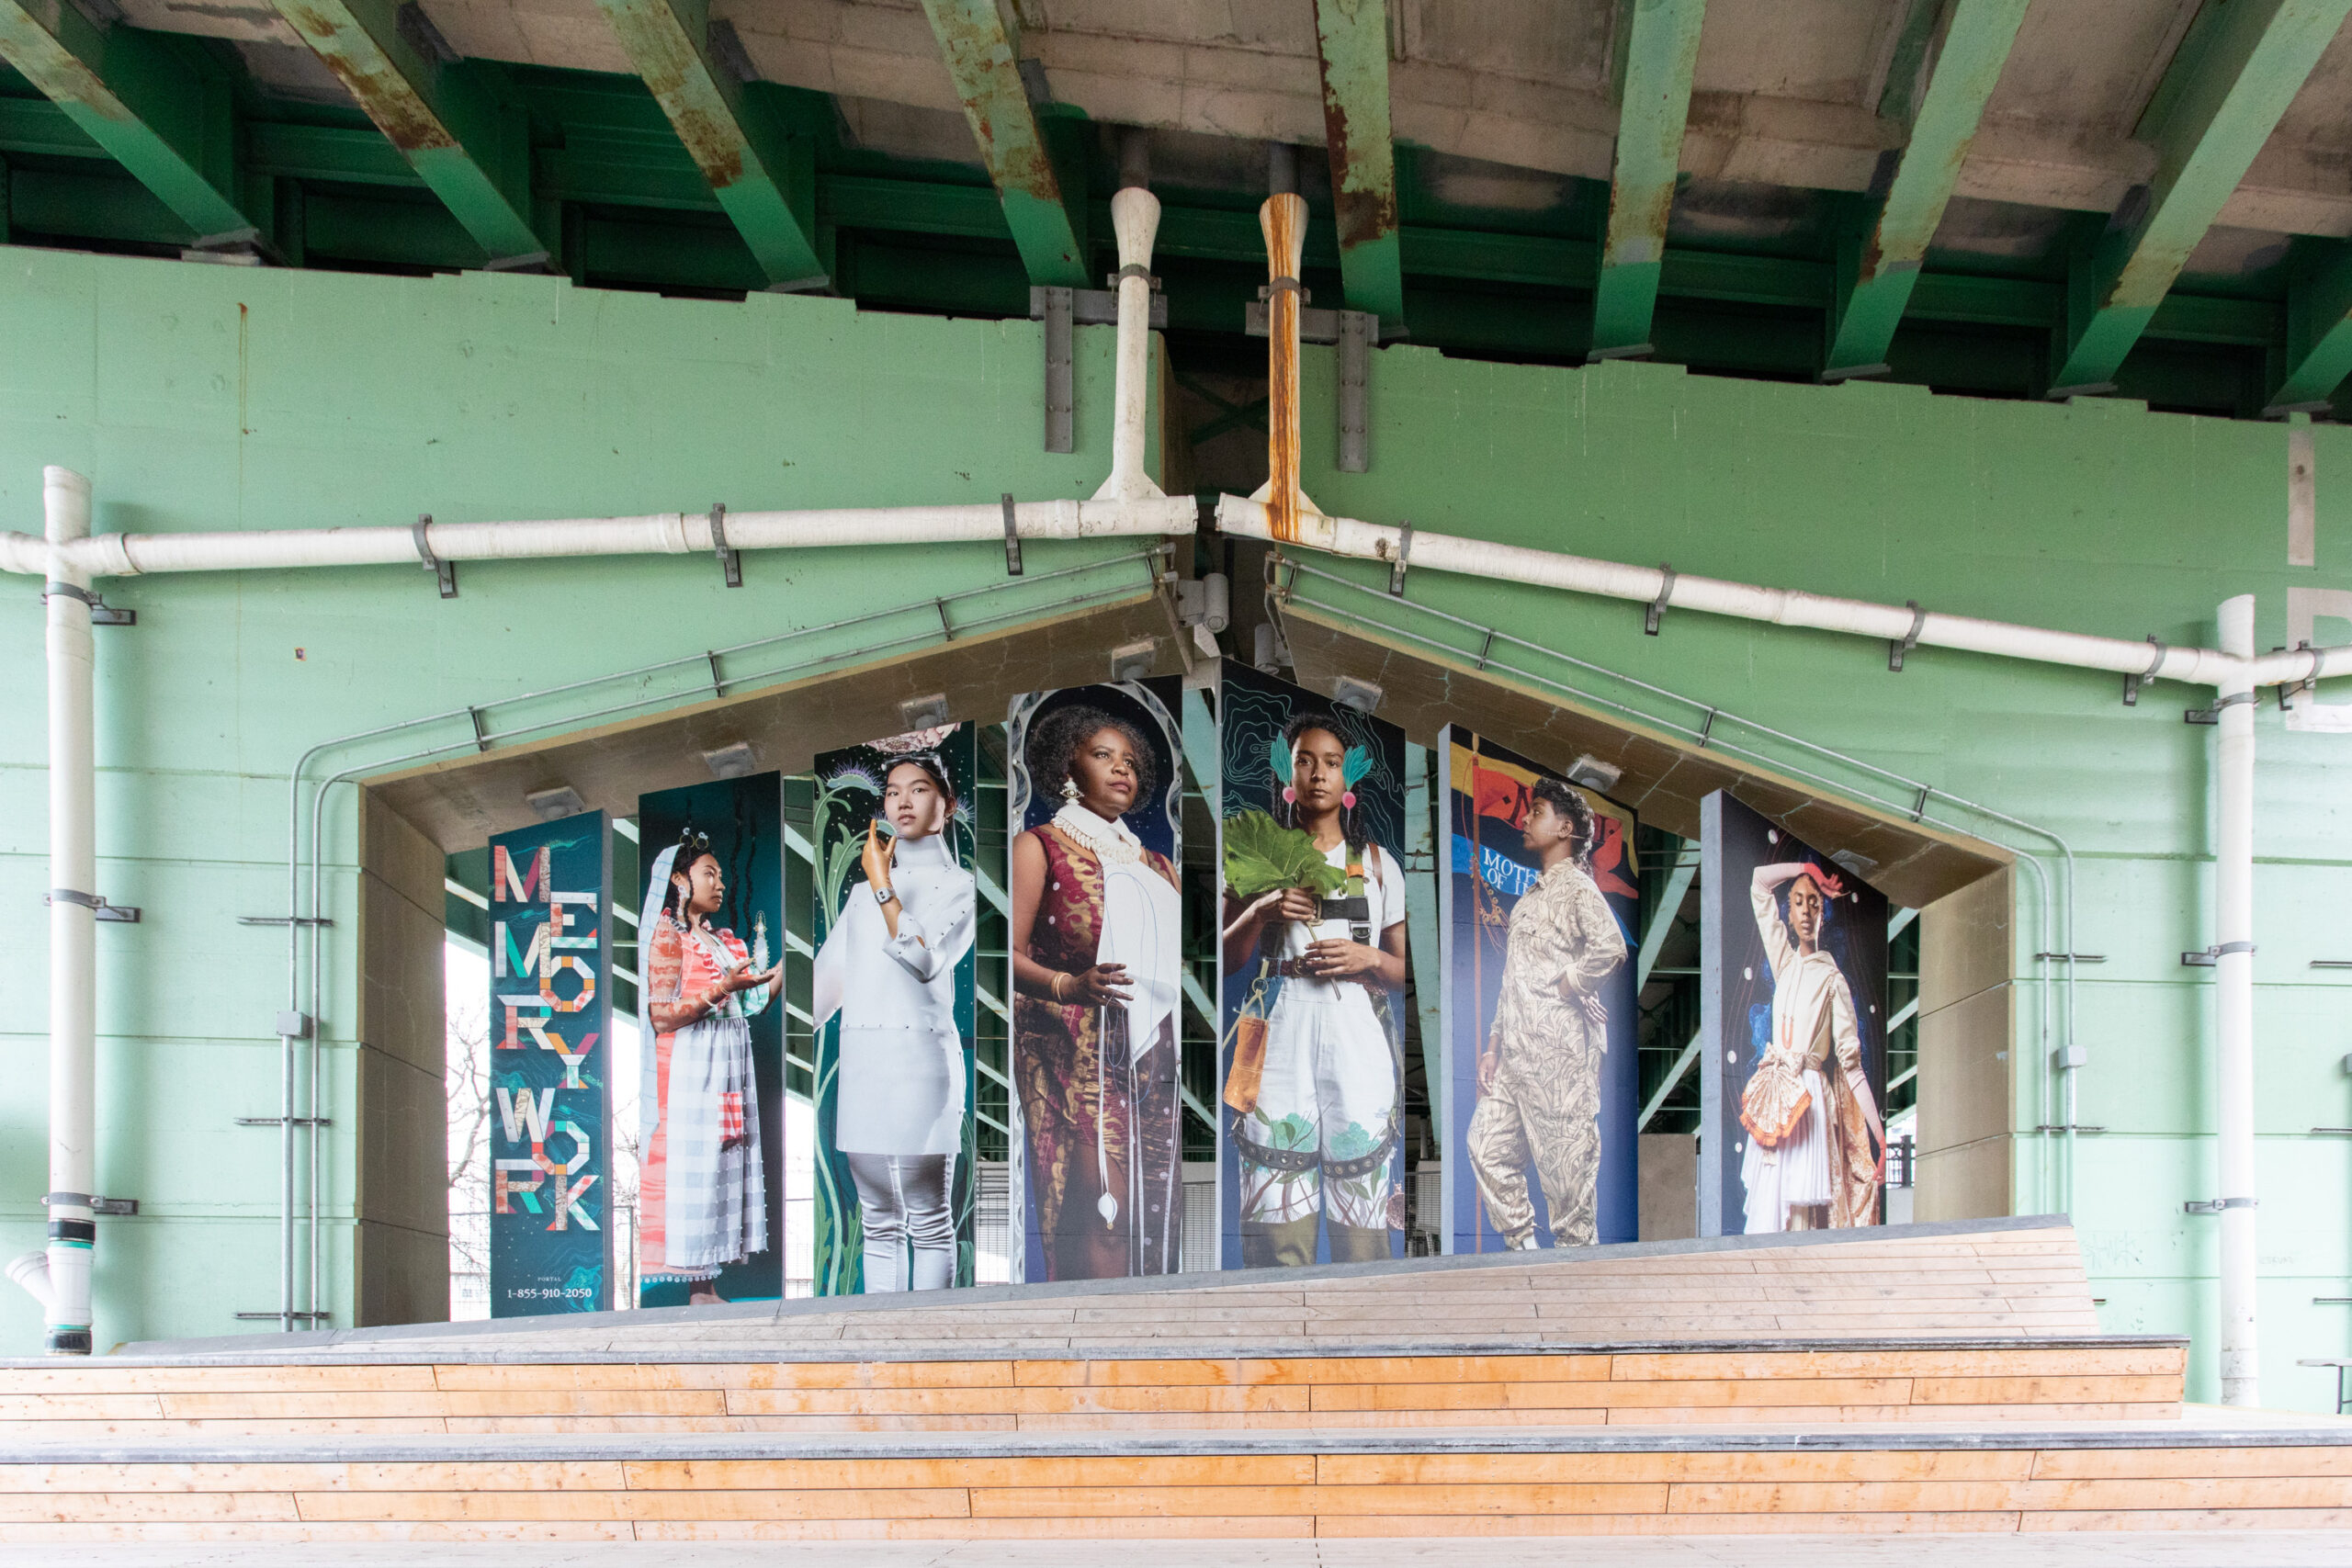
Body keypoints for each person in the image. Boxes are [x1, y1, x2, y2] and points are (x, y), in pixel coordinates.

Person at [1221, 711, 1408, 1267]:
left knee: (1363, 1177)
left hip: (1356, 1018)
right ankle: (1274, 1327)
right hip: (1278, 1016)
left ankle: (1366, 1328)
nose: (1318, 773)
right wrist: (1260, 908)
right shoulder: (1252, 855)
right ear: (1289, 771)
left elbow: (1403, 972)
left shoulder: (1378, 865)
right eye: (1305, 760)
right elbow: (1230, 956)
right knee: (1273, 1171)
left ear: (1348, 777)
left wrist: (1368, 956)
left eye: (1331, 763)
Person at [1010, 704, 1183, 1280]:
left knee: (1146, 1214)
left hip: (1152, 1056)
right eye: (1103, 755)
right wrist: (1071, 986)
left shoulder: (1158, 864)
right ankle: (1089, 1340)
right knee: (1103, 1207)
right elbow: (1005, 958)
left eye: (1131, 761)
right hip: (1072, 1052)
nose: (1121, 770)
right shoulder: (1041, 846)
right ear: (1069, 766)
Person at [812, 754, 978, 1292]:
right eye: (892, 792)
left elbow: (925, 961)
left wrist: (884, 885)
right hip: (862, 1062)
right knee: (877, 1220)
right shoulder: (860, 893)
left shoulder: (961, 886)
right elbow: (824, 986)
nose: (903, 802)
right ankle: (880, 1344)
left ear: (946, 805)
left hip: (921, 1060)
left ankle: (932, 1344)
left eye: (920, 789)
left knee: (929, 1219)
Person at [1464, 779, 1626, 1249]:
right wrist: (1492, 1048)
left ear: (1566, 828)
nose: (1525, 819)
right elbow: (1509, 980)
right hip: (1514, 1057)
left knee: (1566, 1176)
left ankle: (1576, 1279)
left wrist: (1571, 982)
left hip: (1559, 1059)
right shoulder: (1530, 900)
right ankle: (1523, 1252)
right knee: (1487, 1148)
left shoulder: (1577, 887)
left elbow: (1610, 947)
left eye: (1537, 811)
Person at [639, 829, 781, 1304]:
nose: (719, 884)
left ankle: (708, 1285)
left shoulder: (721, 940)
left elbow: (753, 1002)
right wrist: (722, 988)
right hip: (695, 1065)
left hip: (728, 1062)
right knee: (699, 1167)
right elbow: (661, 1015)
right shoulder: (669, 936)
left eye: (721, 875)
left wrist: (785, 972)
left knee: (726, 1162)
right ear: (680, 879)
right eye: (708, 874)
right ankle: (700, 1286)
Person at [1743, 861, 1884, 1232]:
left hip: (1808, 1096)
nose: (1806, 911)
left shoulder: (1833, 979)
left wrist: (1881, 1138)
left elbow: (1851, 1065)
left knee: (1799, 1210)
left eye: (1814, 903)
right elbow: (1759, 883)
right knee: (1769, 1206)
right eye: (1799, 902)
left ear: (1823, 914)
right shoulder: (1784, 963)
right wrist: (1806, 868)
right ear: (1788, 912)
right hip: (1774, 1094)